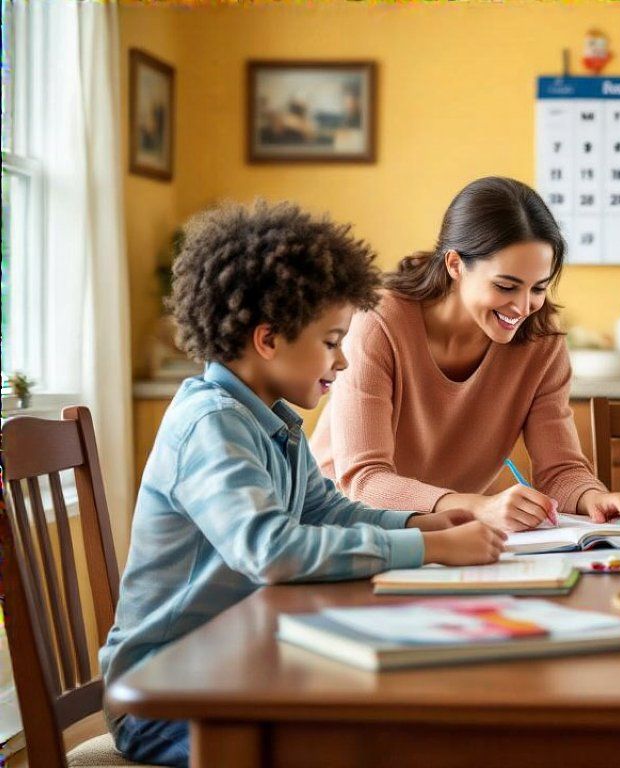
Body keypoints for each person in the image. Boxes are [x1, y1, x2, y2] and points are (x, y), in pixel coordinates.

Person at [99, 200, 505, 767]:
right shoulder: (212, 424)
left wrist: (417, 521)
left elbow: (325, 510)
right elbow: (272, 552)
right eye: (332, 340)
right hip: (169, 694)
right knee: (356, 745)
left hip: (236, 666)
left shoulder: (271, 418)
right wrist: (430, 547)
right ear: (268, 339)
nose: (341, 363)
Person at [311, 177, 620, 531]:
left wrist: (594, 497)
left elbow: (560, 470)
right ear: (455, 265)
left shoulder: (541, 339)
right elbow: (364, 481)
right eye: (505, 286)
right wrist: (475, 507)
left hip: (447, 530)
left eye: (538, 287)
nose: (524, 307)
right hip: (340, 526)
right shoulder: (379, 322)